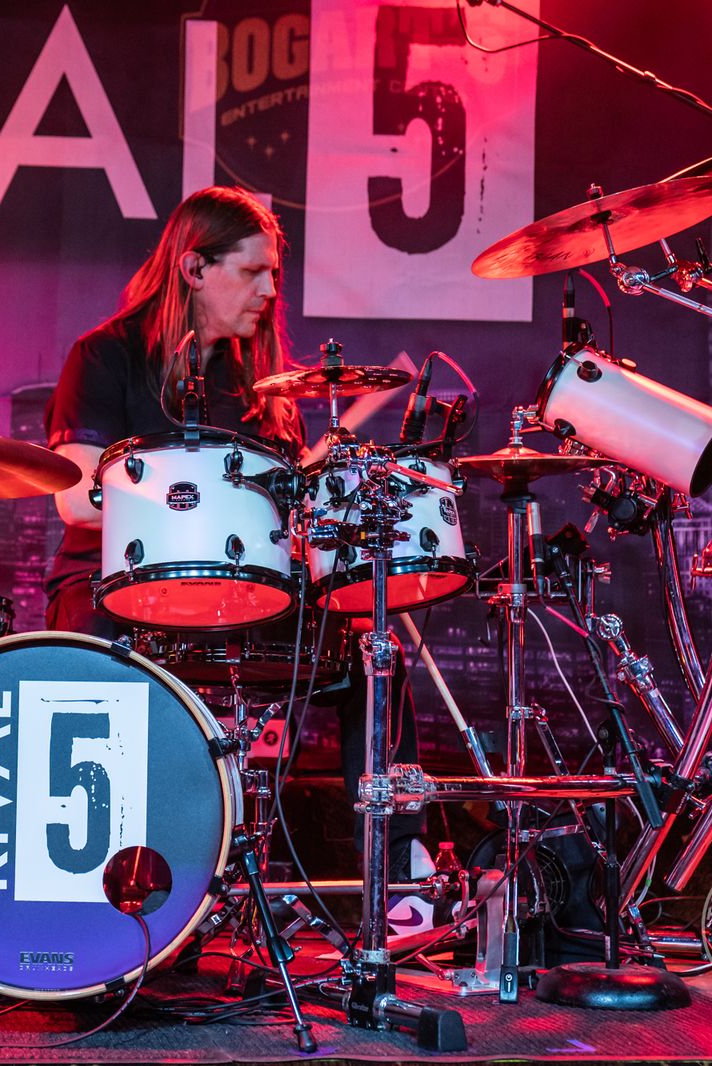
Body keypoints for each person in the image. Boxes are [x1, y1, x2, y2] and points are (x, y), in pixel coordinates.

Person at [42, 185, 432, 931]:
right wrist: (198, 503)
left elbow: (283, 521)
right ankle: (105, 877)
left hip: (236, 596)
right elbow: (76, 500)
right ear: (194, 268)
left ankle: (399, 874)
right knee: (91, 651)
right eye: (253, 272)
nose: (271, 291)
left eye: (274, 274)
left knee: (369, 651)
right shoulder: (105, 356)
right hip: (115, 586)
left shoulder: (263, 387)